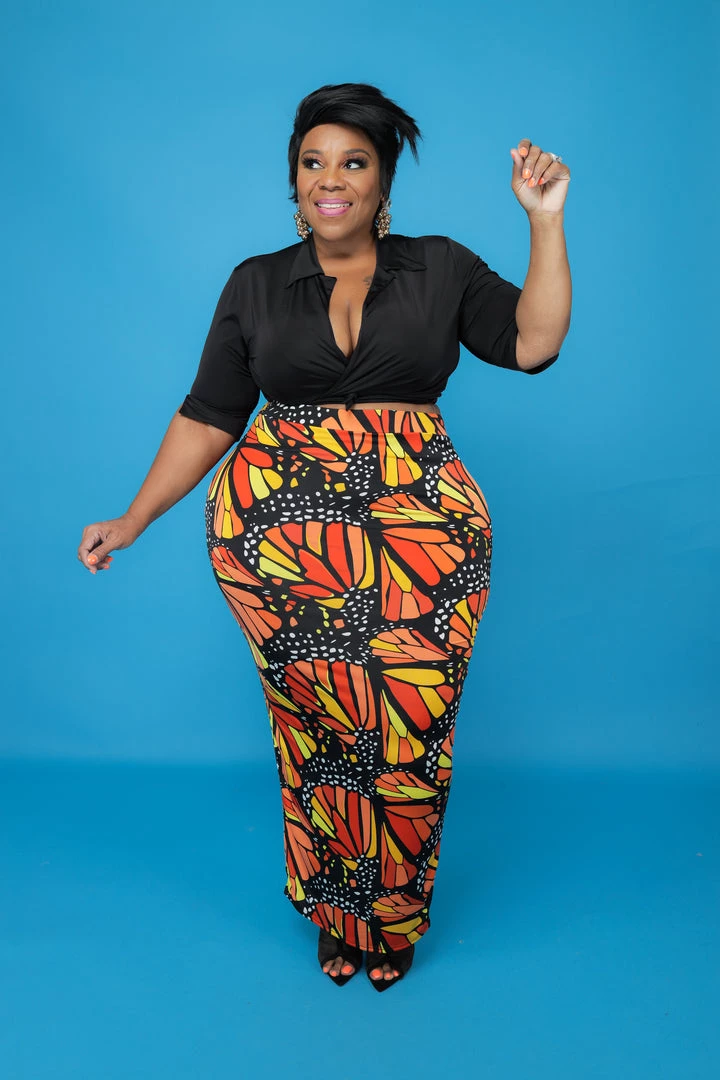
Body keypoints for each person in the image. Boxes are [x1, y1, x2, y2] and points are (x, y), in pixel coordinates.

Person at [77, 82, 571, 991]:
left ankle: (391, 914)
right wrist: (134, 517)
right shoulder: (255, 283)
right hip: (278, 549)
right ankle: (339, 912)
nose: (330, 180)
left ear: (383, 183)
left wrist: (544, 221)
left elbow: (533, 344)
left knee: (410, 728)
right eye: (313, 163)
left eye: (353, 162)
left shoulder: (443, 267)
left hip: (424, 541)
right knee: (318, 732)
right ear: (293, 179)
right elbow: (210, 414)